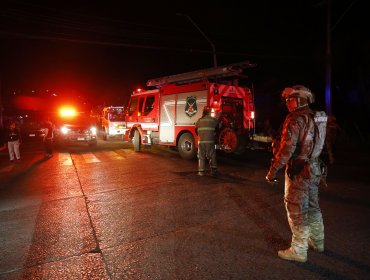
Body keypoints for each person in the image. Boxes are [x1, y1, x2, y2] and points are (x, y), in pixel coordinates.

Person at [266, 85, 327, 263]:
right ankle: (318, 241)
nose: (287, 104)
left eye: (290, 100)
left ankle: (299, 250)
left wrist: (272, 171)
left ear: (300, 100)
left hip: (298, 171)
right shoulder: (316, 117)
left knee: (296, 209)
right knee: (314, 206)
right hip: (315, 168)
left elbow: (286, 151)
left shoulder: (295, 119)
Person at [195, 106, 219, 177]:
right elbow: (217, 128)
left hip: (201, 142)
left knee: (201, 156)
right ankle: (214, 171)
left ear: (203, 112)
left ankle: (201, 172)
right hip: (210, 141)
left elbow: (196, 130)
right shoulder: (213, 120)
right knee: (212, 156)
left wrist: (201, 136)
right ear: (210, 112)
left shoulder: (199, 120)